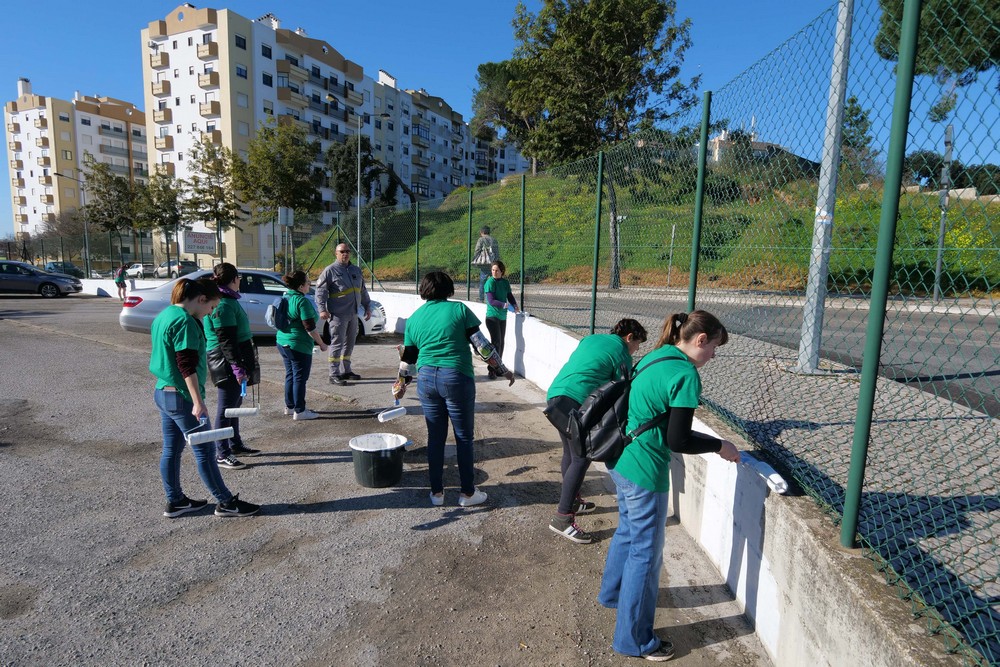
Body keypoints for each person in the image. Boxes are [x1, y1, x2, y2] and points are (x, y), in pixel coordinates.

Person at [598, 311, 740, 661]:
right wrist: (719, 445)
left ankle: (613, 594)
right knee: (645, 556)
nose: (713, 357)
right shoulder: (685, 374)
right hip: (646, 471)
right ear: (700, 340)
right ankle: (634, 639)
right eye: (713, 349)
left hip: (622, 459)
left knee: (628, 533)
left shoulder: (657, 354)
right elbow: (678, 440)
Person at [399, 271, 514, 508]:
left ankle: (436, 494)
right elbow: (482, 347)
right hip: (456, 377)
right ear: (449, 289)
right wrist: (503, 370)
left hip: (427, 379)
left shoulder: (414, 318)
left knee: (435, 438)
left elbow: (408, 360)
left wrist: (401, 384)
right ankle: (467, 494)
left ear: (424, 290)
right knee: (463, 437)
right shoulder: (459, 310)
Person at [150, 277, 260, 518]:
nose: (210, 313)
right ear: (201, 299)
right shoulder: (185, 322)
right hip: (181, 397)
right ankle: (226, 502)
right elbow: (186, 365)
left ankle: (175, 500)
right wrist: (198, 402)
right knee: (205, 452)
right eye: (211, 307)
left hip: (163, 392)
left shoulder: (165, 314)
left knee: (171, 450)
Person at [545, 319, 648, 544]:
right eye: (638, 344)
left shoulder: (591, 339)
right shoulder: (622, 351)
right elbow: (624, 386)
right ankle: (562, 518)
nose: (636, 349)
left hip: (555, 395)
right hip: (574, 402)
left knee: (570, 454)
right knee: (582, 458)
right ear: (629, 337)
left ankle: (573, 501)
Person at [205, 263, 260, 470]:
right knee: (226, 409)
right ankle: (222, 453)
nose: (240, 282)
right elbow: (226, 340)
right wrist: (237, 368)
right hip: (225, 361)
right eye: (239, 278)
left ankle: (234, 444)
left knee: (235, 406)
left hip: (235, 358)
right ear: (234, 279)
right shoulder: (224, 304)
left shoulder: (228, 301)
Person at [315, 243, 371, 386]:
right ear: (336, 253)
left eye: (347, 251)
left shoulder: (356, 270)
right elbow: (320, 291)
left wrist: (367, 306)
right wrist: (322, 309)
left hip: (353, 313)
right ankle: (333, 374)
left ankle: (346, 370)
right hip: (338, 314)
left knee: (350, 343)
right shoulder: (330, 271)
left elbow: (362, 290)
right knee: (337, 343)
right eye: (342, 251)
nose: (345, 254)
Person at [278, 270, 328, 420]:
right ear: (301, 286)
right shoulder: (302, 301)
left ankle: (290, 406)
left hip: (282, 341)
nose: (309, 285)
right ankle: (300, 411)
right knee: (299, 377)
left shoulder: (286, 297)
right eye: (308, 283)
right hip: (298, 345)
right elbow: (310, 328)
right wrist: (321, 343)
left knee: (290, 375)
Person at [483, 260, 518, 379]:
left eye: (497, 270)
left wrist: (515, 304)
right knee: (496, 342)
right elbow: (491, 300)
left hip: (503, 316)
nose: (494, 272)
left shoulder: (505, 282)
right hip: (492, 317)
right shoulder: (490, 282)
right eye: (493, 270)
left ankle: (498, 369)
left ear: (502, 271)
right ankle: (491, 369)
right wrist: (505, 305)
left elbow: (509, 295)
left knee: (501, 343)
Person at [473, 226, 500, 302]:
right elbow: (497, 252)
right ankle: (494, 298)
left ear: (482, 232)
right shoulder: (494, 240)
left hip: (484, 263)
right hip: (493, 263)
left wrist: (476, 258)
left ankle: (481, 299)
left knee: (483, 281)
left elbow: (477, 250)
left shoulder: (481, 239)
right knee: (494, 281)